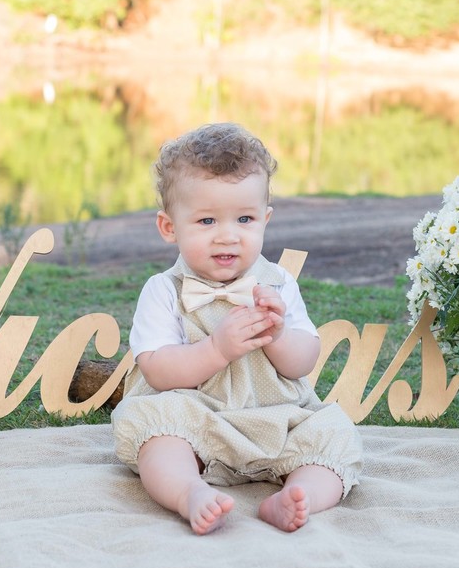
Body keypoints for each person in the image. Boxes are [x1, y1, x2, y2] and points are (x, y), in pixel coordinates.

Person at [112, 122, 363, 535]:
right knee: (156, 435)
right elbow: (157, 370)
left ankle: (297, 495)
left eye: (244, 219)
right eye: (207, 221)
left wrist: (278, 336)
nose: (227, 237)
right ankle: (188, 492)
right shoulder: (164, 290)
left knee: (334, 438)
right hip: (198, 420)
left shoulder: (278, 284)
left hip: (278, 420)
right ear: (169, 227)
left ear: (265, 219)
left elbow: (303, 362)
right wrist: (216, 349)